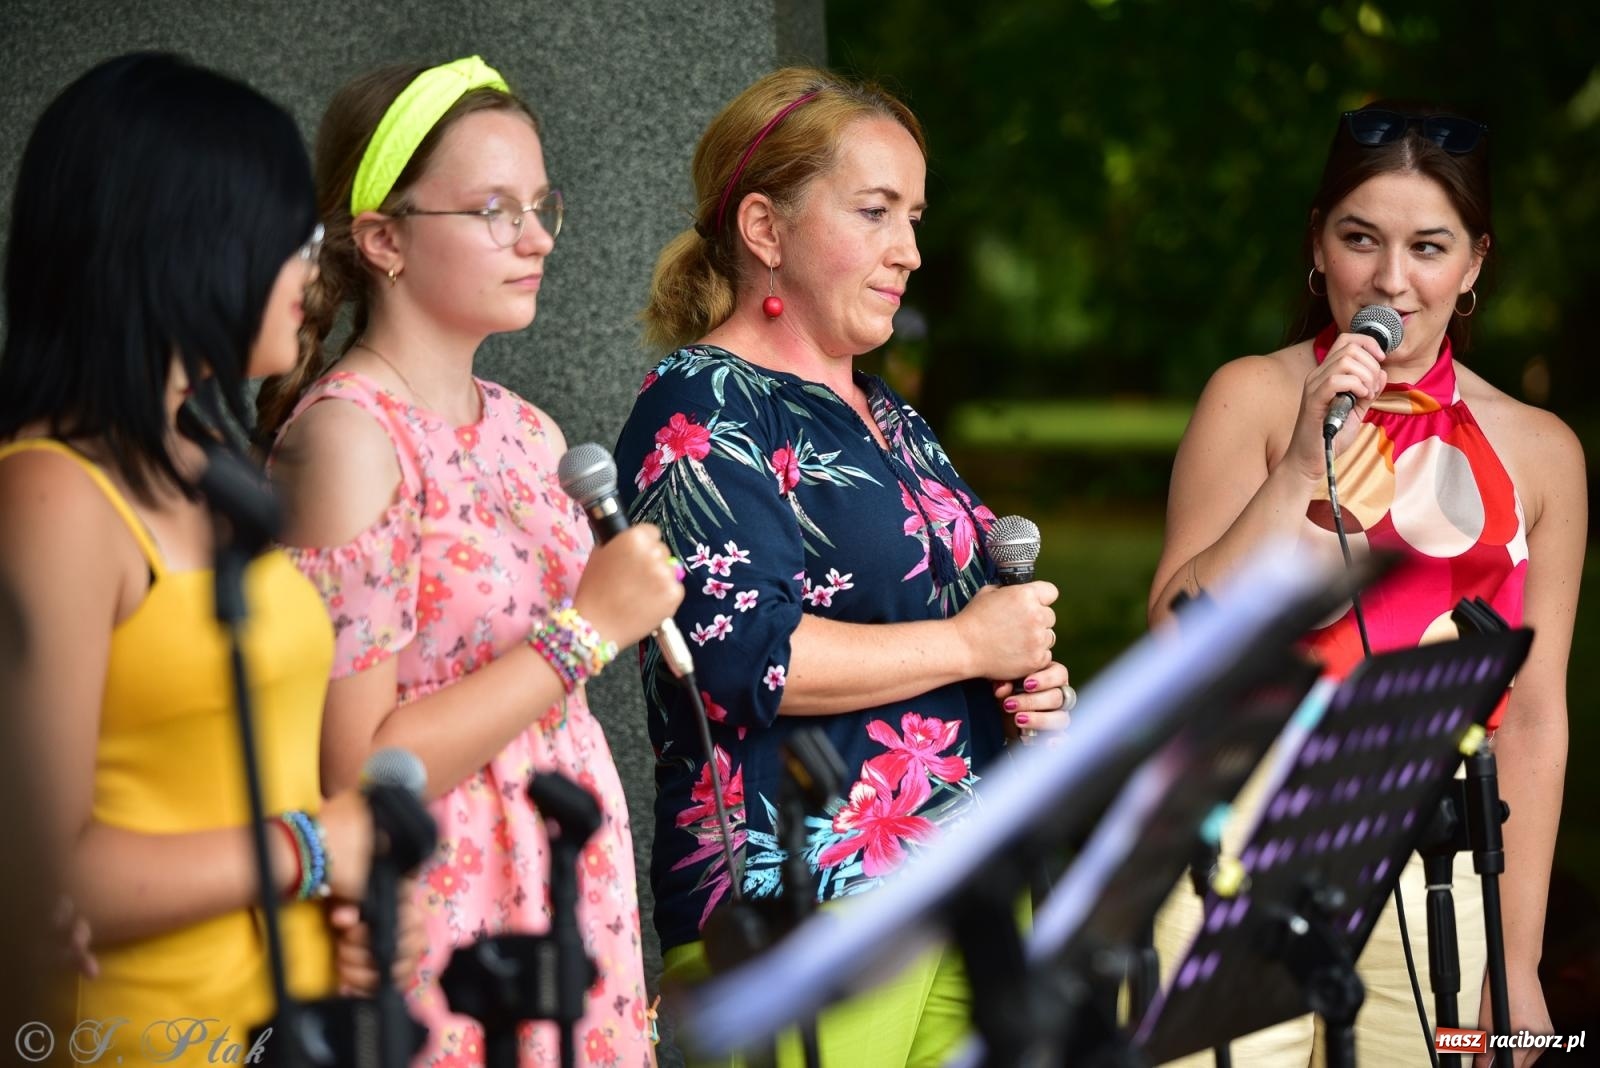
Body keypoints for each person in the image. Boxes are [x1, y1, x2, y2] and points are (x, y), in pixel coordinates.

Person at [614, 67, 1073, 1065]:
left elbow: (962, 629)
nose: (908, 250)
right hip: (801, 915)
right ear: (764, 230)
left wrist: (1018, 675)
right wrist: (963, 641)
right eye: (874, 212)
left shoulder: (893, 417)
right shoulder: (698, 406)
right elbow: (738, 657)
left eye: (912, 215)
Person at [258, 56, 684, 1066]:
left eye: (542, 206)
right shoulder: (350, 441)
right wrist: (586, 629)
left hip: (567, 895)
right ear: (384, 239)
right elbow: (357, 768)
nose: (535, 239)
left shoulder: (533, 436)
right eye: (494, 209)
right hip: (447, 911)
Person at [1149, 102, 1583, 1066]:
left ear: (1473, 263)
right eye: (1361, 239)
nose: (1392, 279)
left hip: (1441, 858)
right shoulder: (1252, 398)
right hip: (1240, 845)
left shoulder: (1543, 453)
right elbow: (1176, 638)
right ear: (1318, 245)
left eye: (1429, 246)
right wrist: (1303, 465)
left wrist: (1515, 962)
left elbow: (1539, 716)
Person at [0, 52, 410, 1061]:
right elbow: (37, 873)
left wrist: (331, 908)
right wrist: (312, 851)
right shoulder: (49, 492)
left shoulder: (212, 461)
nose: (313, 269)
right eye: (293, 236)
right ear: (187, 240)